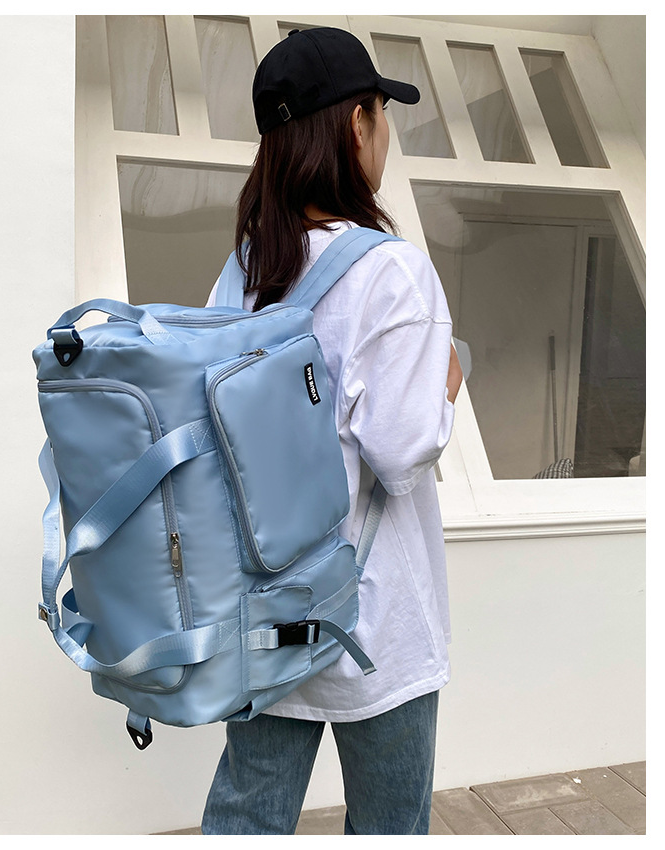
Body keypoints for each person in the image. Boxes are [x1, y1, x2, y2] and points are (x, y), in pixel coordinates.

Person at [201, 27, 463, 836]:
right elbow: (402, 452)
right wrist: (449, 383)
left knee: (248, 816)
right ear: (357, 122)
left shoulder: (244, 271)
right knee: (389, 826)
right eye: (382, 112)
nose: (384, 133)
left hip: (264, 610)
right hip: (374, 617)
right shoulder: (391, 270)